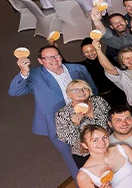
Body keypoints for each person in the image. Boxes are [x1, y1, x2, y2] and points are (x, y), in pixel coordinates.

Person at [9, 45, 96, 177]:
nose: (54, 60)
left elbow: (92, 90)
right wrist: (23, 72)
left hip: (85, 116)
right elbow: (14, 92)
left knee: (97, 146)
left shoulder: (78, 69)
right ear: (40, 61)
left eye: (56, 56)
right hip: (57, 123)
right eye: (48, 58)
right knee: (72, 158)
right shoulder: (34, 75)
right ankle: (83, 186)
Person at [55, 79, 111, 168]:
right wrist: (75, 124)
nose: (81, 92)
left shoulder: (98, 101)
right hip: (86, 155)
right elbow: (66, 138)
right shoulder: (63, 114)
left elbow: (111, 119)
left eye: (85, 89)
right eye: (75, 90)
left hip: (109, 146)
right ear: (69, 95)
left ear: (89, 91)